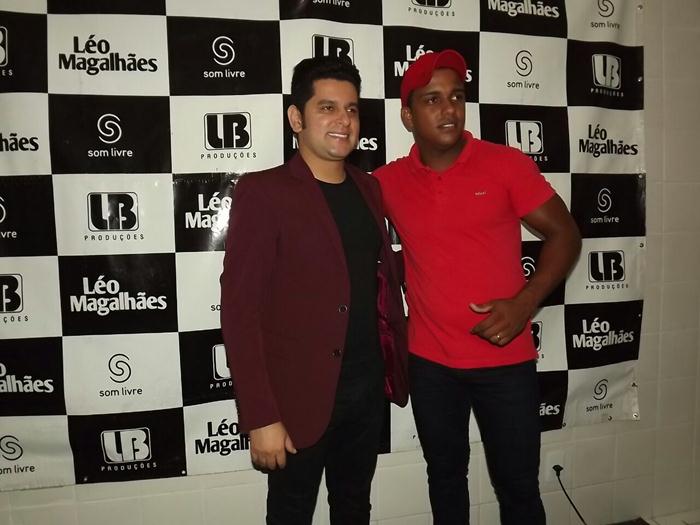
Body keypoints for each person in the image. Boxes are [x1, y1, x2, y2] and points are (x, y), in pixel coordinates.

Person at [373, 49, 581, 525]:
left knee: (518, 488)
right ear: (408, 116)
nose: (448, 108)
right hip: (430, 364)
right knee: (445, 479)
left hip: (505, 362)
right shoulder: (387, 182)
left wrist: (526, 303)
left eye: (457, 97)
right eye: (432, 99)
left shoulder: (505, 165)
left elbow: (565, 234)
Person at [220, 55, 408, 525]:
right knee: (291, 514)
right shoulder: (263, 192)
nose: (343, 120)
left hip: (365, 391)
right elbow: (240, 312)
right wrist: (260, 416)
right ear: (296, 118)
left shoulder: (369, 188)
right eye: (327, 108)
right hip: (296, 399)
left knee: (354, 508)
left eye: (351, 109)